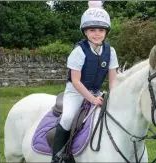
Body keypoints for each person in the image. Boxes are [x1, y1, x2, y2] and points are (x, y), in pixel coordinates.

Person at [51, 1, 119, 162]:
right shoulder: (78, 51)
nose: (97, 34)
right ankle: (58, 155)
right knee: (67, 118)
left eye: (101, 30)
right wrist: (92, 99)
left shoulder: (111, 51)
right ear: (85, 32)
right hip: (76, 91)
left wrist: (114, 97)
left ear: (106, 31)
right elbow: (75, 81)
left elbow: (113, 79)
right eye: (92, 30)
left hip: (96, 91)